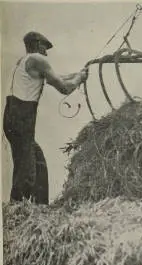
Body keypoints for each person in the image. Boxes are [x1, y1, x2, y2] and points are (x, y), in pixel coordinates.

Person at [3, 31, 88, 204]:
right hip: (21, 117)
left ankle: (39, 207)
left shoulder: (26, 61)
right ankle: (17, 209)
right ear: (38, 44)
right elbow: (64, 87)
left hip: (13, 116)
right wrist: (80, 78)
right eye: (45, 47)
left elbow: (56, 78)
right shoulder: (38, 60)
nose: (47, 52)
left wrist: (78, 74)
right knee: (27, 170)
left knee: (37, 161)